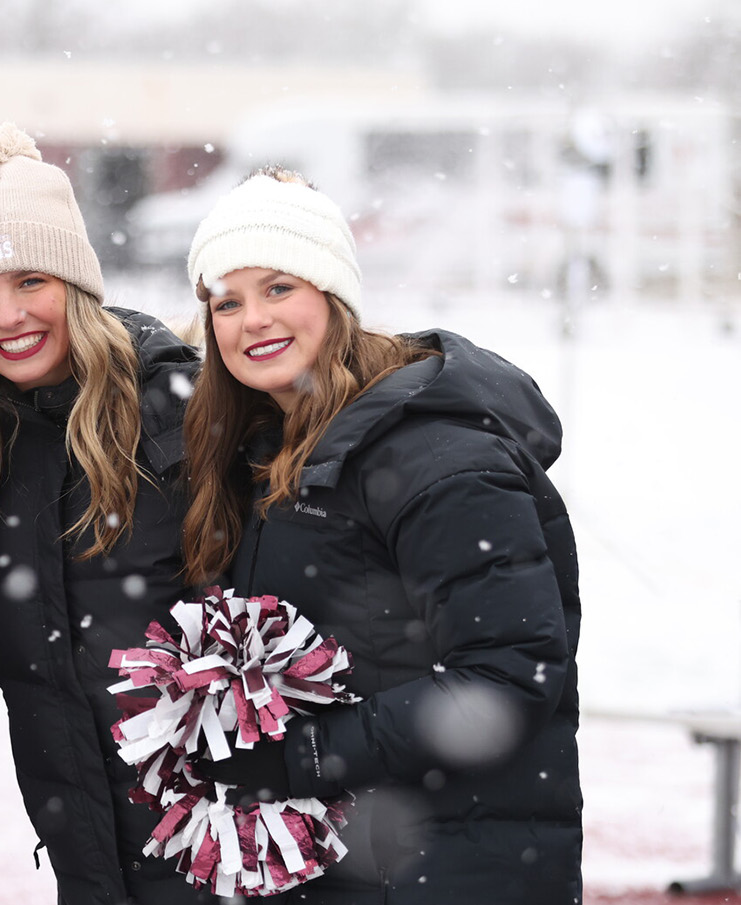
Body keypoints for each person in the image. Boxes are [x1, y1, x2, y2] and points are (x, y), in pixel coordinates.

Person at [180, 166, 582, 904]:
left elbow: (506, 675)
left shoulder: (436, 455)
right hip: (349, 862)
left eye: (278, 288)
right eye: (225, 301)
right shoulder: (263, 453)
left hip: (451, 866)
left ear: (333, 296)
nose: (251, 320)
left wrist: (302, 752)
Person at [0, 123, 204, 905]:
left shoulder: (179, 413)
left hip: (216, 846)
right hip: (85, 854)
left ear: (75, 283)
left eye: (29, 282)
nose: (5, 315)